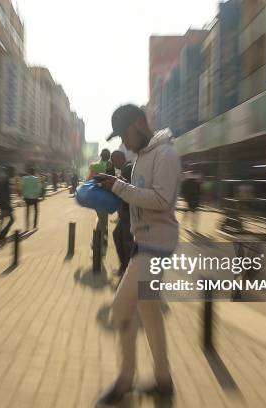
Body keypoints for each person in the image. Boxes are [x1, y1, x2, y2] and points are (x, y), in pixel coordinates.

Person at [96, 104, 180, 404]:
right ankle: (163, 380)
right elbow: (138, 197)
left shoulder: (165, 155)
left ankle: (124, 380)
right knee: (150, 313)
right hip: (143, 244)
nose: (124, 141)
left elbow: (159, 199)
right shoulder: (142, 157)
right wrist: (112, 191)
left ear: (140, 123)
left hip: (156, 247)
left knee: (120, 310)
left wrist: (119, 187)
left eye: (125, 134)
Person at [110, 150, 134, 277]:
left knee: (126, 241)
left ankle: (127, 270)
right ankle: (124, 267)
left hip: (129, 211)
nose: (114, 165)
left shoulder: (128, 169)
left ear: (119, 158)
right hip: (125, 211)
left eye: (114, 161)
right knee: (118, 235)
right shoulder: (126, 168)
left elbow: (128, 188)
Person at [88, 148, 114, 248]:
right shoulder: (110, 166)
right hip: (106, 196)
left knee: (101, 218)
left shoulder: (93, 166)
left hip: (95, 196)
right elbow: (112, 181)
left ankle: (103, 238)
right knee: (103, 219)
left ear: (100, 156)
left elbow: (89, 181)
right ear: (109, 157)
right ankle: (97, 241)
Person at [0, 166, 15, 244]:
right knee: (12, 220)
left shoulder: (5, 179)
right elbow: (3, 194)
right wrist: (7, 205)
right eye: (13, 172)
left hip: (2, 203)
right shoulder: (6, 180)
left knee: (2, 220)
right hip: (5, 204)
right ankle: (2, 235)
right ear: (9, 172)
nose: (14, 174)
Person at [22, 166, 42, 230]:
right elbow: (39, 188)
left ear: (28, 172)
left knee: (27, 212)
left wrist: (24, 195)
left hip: (27, 197)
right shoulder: (36, 179)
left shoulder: (25, 179)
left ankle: (27, 226)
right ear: (34, 172)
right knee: (36, 211)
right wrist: (37, 195)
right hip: (34, 197)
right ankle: (35, 226)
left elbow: (23, 188)